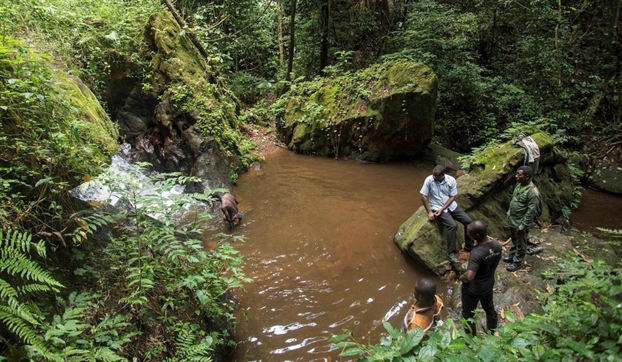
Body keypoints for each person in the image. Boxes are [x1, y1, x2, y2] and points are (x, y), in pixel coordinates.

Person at [420, 165, 474, 263]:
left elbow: (452, 196)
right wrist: (429, 212)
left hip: (450, 205)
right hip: (436, 206)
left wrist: (443, 208)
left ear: (443, 175)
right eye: (433, 175)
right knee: (452, 226)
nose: (434, 177)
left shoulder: (451, 180)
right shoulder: (429, 180)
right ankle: (451, 253)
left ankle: (469, 247)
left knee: (469, 222)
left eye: (436, 176)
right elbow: (423, 196)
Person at [460, 220, 501, 335]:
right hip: (488, 284)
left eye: (469, 233)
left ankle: (471, 341)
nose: (467, 234)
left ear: (477, 236)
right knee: (489, 307)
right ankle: (492, 331)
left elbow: (469, 277)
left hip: (474, 289)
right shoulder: (497, 245)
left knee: (467, 314)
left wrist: (461, 277)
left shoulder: (477, 253)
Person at [505, 165, 541, 272]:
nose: (516, 176)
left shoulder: (533, 193)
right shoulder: (518, 185)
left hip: (521, 221)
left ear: (527, 177)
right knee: (514, 239)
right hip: (513, 219)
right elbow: (514, 199)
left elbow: (531, 211)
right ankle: (512, 255)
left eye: (519, 175)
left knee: (521, 242)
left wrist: (523, 225)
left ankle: (517, 262)